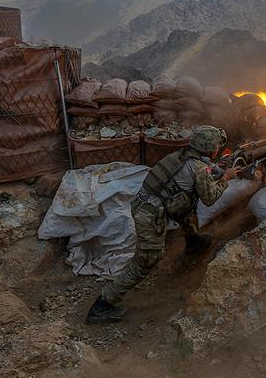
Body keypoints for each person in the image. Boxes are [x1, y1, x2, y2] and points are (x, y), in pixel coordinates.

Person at [86, 125, 239, 324]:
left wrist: (221, 169)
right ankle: (102, 305)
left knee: (187, 208)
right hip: (149, 216)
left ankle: (193, 241)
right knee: (146, 261)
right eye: (217, 146)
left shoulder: (182, 155)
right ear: (211, 148)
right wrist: (226, 178)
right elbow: (210, 198)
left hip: (147, 203)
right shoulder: (199, 168)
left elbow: (206, 169)